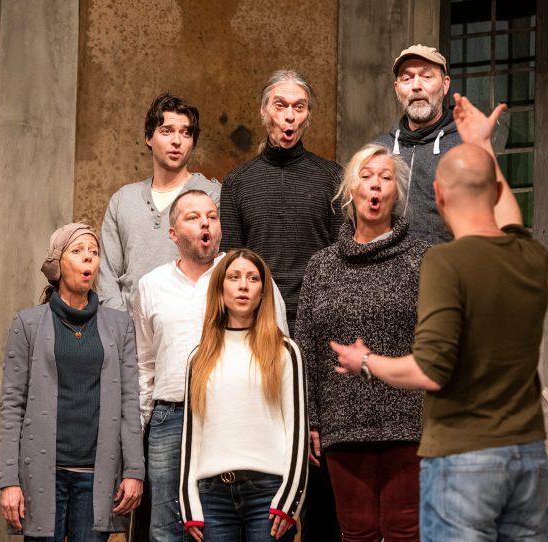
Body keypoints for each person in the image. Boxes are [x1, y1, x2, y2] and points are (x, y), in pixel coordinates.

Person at [332, 94, 548, 541]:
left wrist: (366, 362)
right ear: (491, 190)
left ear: (436, 194)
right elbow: (509, 213)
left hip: (464, 456)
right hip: (528, 455)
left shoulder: (444, 263)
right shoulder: (531, 256)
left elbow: (430, 369)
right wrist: (482, 145)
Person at [219, 69, 342, 540]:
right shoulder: (238, 182)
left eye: (299, 107)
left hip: (318, 333)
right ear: (264, 111)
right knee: (263, 448)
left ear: (308, 115)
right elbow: (232, 265)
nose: (289, 117)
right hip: (258, 331)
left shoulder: (332, 178)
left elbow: (340, 259)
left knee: (318, 458)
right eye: (281, 106)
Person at [134, 190, 287, 541]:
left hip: (229, 416)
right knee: (166, 528)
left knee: (217, 523)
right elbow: (144, 365)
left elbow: (276, 345)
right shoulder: (150, 285)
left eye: (212, 216)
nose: (205, 222)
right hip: (169, 416)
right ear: (173, 233)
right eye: (192, 217)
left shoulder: (244, 275)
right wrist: (137, 432)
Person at [296, 143, 430, 541]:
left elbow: (438, 341)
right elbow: (306, 345)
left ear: (397, 192)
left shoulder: (422, 259)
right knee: (355, 532)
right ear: (350, 190)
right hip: (342, 421)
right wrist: (311, 419)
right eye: (366, 176)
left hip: (409, 419)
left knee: (405, 528)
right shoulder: (322, 265)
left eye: (385, 178)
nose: (375, 186)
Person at [0, 223, 144, 540]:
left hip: (96, 477)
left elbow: (130, 402)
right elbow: (12, 406)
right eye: (78, 251)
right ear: (57, 264)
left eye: (94, 253)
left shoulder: (119, 326)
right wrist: (9, 480)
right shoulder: (28, 324)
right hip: (42, 475)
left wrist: (134, 470)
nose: (88, 259)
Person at [179, 249, 308, 542]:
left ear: (263, 292)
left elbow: (296, 433)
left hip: (268, 494)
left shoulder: (285, 351)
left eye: (252, 278)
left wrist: (290, 501)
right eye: (234, 277)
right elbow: (191, 438)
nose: (243, 285)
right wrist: (189, 505)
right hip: (212, 497)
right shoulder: (199, 358)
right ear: (220, 288)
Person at [98, 92, 221, 316]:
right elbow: (107, 274)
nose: (177, 141)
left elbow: (222, 269)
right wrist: (120, 329)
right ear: (148, 137)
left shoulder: (212, 196)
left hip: (191, 329)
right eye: (166, 131)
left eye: (185, 133)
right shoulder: (124, 200)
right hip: (129, 335)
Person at [374, 44, 462, 245]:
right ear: (397, 89)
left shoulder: (465, 147)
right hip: (387, 271)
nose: (416, 85)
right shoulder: (379, 150)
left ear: (445, 85)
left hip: (444, 269)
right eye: (407, 78)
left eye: (426, 76)